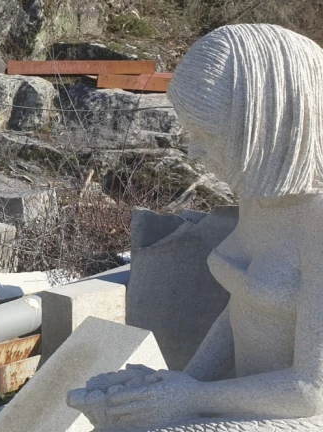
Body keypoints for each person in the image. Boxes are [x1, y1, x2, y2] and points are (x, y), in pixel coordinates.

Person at [67, 24, 323, 431]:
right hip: (247, 397)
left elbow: (310, 391)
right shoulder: (261, 200)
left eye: (207, 133)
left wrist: (193, 397)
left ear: (269, 126)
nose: (193, 149)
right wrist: (178, 384)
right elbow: (243, 311)